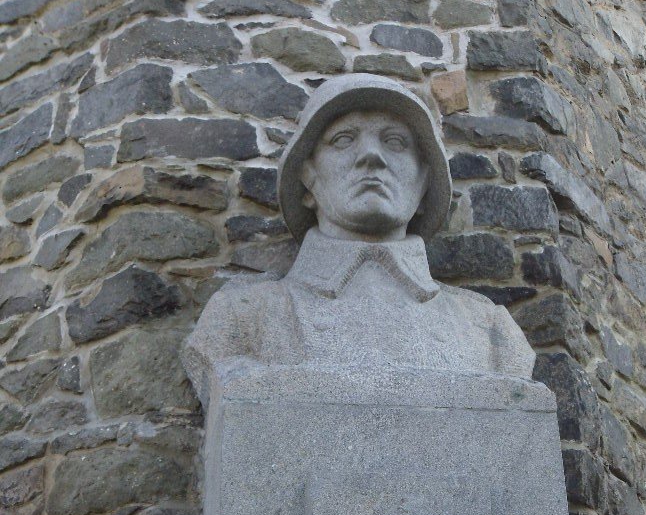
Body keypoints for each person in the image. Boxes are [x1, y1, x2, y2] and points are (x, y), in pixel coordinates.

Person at [183, 74, 534, 406]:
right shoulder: (240, 320)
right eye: (343, 139)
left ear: (424, 182)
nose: (371, 155)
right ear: (308, 177)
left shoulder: (490, 331)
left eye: (395, 141)